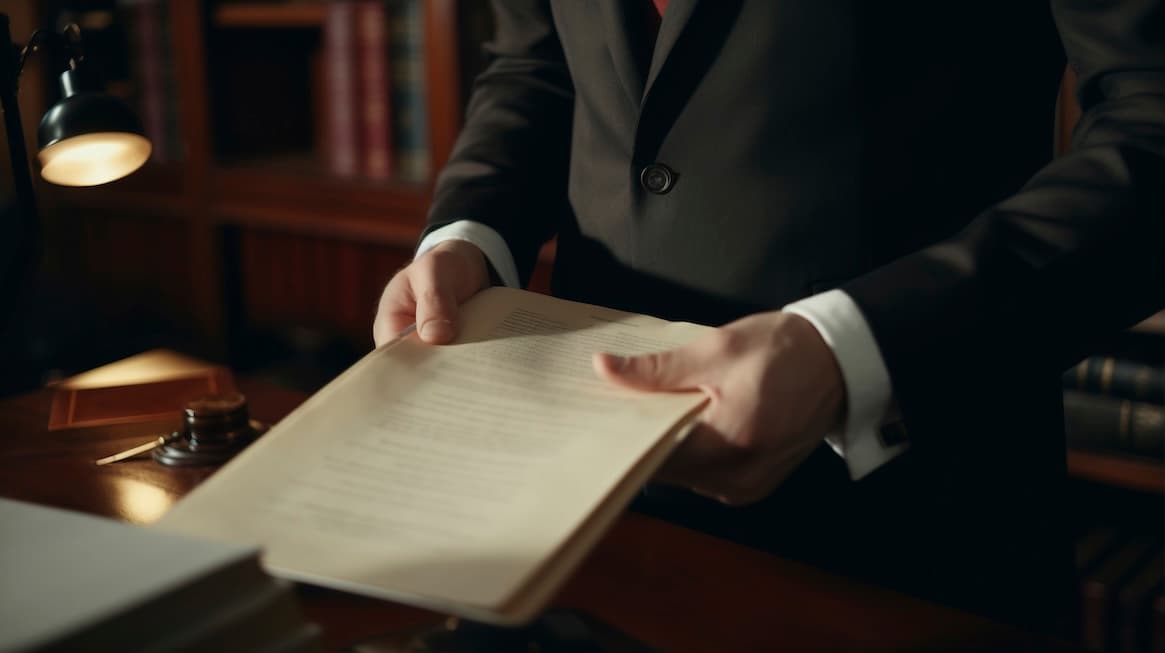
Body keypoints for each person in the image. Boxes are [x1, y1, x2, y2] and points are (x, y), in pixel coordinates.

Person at [373, 0, 1163, 636]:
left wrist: (847, 351)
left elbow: (1150, 120)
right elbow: (536, 61)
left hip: (910, 524)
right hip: (587, 521)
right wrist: (469, 232)